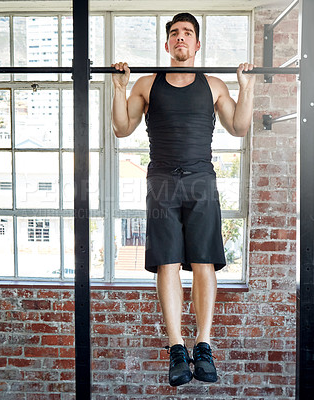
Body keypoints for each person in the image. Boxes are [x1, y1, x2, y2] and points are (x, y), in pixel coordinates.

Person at [111, 12, 256, 387]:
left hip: (201, 181)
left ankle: (203, 345)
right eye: (174, 33)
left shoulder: (213, 85)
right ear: (166, 44)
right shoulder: (146, 83)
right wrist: (118, 87)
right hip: (160, 180)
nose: (180, 38)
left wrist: (247, 86)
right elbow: (122, 128)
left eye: (187, 33)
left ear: (196, 45)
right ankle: (177, 348)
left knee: (204, 262)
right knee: (168, 263)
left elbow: (239, 127)